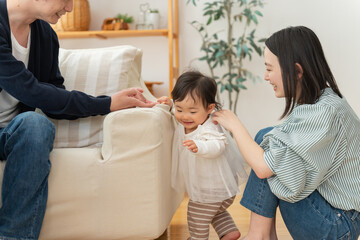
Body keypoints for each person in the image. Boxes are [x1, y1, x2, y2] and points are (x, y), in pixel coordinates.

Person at [0, 0, 155, 239]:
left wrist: (109, 103)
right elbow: (29, 89)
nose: (70, 8)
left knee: (36, 124)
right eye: (67, 0)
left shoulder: (46, 37)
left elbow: (55, 102)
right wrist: (106, 103)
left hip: (10, 133)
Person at [212, 26, 360, 240]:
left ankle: (258, 236)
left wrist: (234, 124)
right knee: (268, 138)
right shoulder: (321, 100)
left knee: (270, 153)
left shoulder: (323, 113)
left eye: (270, 69)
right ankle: (263, 235)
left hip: (337, 226)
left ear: (297, 71)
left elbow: (264, 168)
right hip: (336, 216)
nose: (265, 76)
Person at [157, 71, 248, 240]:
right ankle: (229, 232)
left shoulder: (209, 127)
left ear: (209, 108)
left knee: (196, 215)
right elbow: (184, 106)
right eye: (179, 109)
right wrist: (170, 105)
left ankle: (197, 238)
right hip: (220, 192)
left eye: (192, 111)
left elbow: (218, 146)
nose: (184, 116)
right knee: (215, 212)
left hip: (212, 189)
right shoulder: (192, 116)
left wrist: (200, 146)